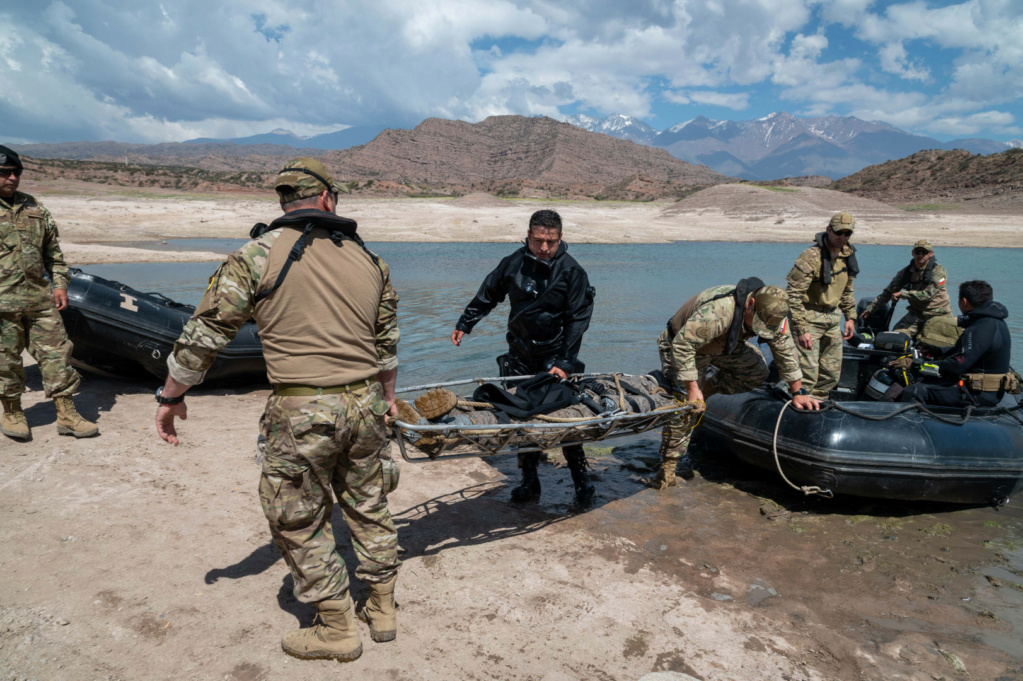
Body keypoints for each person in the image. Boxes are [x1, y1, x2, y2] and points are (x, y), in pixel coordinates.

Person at [155, 159, 401, 663]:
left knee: (295, 517)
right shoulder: (370, 259)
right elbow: (387, 345)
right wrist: (388, 399)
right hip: (367, 404)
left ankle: (336, 625)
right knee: (369, 503)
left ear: (284, 201)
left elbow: (206, 334)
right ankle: (382, 606)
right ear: (328, 199)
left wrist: (171, 396)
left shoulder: (257, 254)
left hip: (304, 409)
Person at [450, 209, 596, 507]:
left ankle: (582, 482)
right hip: (519, 354)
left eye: (551, 242)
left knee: (563, 419)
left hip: (555, 357)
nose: (544, 248)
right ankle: (529, 480)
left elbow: (579, 318)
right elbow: (489, 293)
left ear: (560, 239)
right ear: (528, 235)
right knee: (520, 416)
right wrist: (466, 322)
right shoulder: (512, 263)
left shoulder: (572, 271)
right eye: (538, 240)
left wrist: (566, 362)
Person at [650, 281, 820, 489]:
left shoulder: (775, 315)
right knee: (685, 406)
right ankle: (667, 469)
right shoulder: (718, 312)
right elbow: (683, 346)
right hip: (683, 346)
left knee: (757, 371)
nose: (760, 329)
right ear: (750, 303)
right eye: (757, 323)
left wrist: (799, 391)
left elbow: (785, 351)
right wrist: (693, 389)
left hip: (725, 345)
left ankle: (709, 389)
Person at [0, 144, 98, 440]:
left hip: (40, 300)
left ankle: (66, 413)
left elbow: (53, 254)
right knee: (6, 360)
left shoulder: (34, 207)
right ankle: (12, 411)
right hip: (2, 304)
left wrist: (60, 285)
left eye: (15, 173)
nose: (12, 178)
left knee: (57, 355)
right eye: (4, 173)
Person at [897, 281, 1015, 407]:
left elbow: (957, 365)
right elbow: (973, 351)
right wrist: (939, 351)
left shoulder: (979, 328)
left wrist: (916, 366)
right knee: (924, 379)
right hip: (987, 391)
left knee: (913, 391)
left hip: (977, 394)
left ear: (964, 302)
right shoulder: (995, 322)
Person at [786, 212, 858, 399]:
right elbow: (793, 295)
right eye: (839, 233)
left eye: (847, 234)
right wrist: (801, 329)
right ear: (828, 230)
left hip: (833, 320)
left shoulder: (847, 255)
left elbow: (847, 289)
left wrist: (850, 317)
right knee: (807, 373)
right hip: (808, 318)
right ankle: (797, 401)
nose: (842, 237)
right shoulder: (811, 256)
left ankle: (818, 403)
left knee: (830, 374)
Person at [860, 239, 952, 340]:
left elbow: (927, 295)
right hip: (916, 313)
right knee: (895, 336)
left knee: (931, 341)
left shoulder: (939, 272)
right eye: (917, 252)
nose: (920, 255)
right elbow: (888, 292)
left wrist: (903, 294)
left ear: (930, 254)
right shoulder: (905, 273)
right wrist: (871, 309)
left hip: (938, 314)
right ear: (913, 253)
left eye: (924, 252)